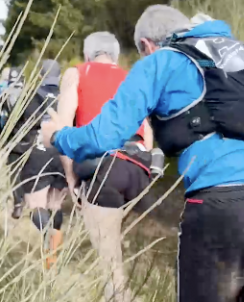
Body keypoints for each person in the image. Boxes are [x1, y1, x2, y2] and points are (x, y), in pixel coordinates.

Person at [42, 5, 244, 302]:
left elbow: (104, 136)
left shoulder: (159, 63)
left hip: (223, 208)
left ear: (147, 45)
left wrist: (58, 136)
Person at [55, 31, 155, 302]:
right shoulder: (132, 77)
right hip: (138, 167)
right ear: (115, 56)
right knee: (135, 255)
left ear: (88, 55)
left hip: (104, 169)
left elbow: (62, 129)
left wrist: (71, 178)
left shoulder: (77, 74)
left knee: (112, 269)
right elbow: (147, 132)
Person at [0, 60, 67, 270]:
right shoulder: (67, 96)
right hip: (64, 153)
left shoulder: (30, 95)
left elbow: (13, 123)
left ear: (39, 76)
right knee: (55, 205)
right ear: (59, 76)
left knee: (36, 205)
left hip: (39, 152)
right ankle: (52, 260)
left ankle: (48, 240)